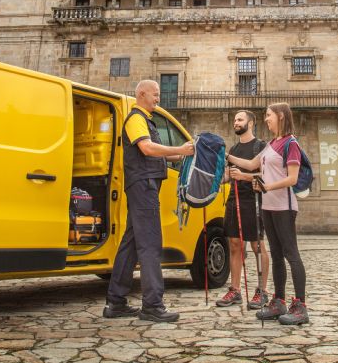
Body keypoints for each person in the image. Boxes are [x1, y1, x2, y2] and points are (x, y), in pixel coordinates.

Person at [104, 80, 195, 323]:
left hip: (144, 186)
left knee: (131, 244)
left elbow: (160, 153)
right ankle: (152, 305)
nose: (158, 98)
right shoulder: (135, 119)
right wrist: (179, 149)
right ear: (142, 94)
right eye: (155, 94)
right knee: (150, 244)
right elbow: (146, 148)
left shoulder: (146, 120)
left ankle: (116, 302)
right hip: (143, 186)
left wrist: (185, 154)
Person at [226, 102, 309, 325]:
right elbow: (252, 164)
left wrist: (266, 187)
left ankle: (300, 306)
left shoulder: (291, 143)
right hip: (268, 206)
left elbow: (292, 178)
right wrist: (225, 155)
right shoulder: (271, 144)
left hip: (284, 206)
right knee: (277, 255)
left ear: (281, 116)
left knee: (291, 254)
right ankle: (278, 301)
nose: (266, 119)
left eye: (269, 115)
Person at [216, 110, 270, 310]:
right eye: (235, 120)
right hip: (233, 199)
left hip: (253, 200)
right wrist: (214, 180)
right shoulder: (234, 149)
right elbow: (228, 176)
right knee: (234, 245)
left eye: (240, 119)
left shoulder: (261, 146)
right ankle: (235, 290)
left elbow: (266, 174)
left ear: (251, 122)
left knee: (257, 246)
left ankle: (262, 291)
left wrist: (244, 176)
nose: (236, 123)